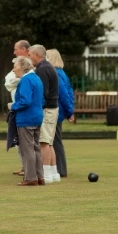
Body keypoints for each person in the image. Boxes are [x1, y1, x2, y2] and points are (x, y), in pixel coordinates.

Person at [9, 57, 45, 186]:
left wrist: (13, 106)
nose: (13, 70)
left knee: (27, 148)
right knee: (36, 147)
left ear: (23, 67)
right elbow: (41, 100)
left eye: (15, 66)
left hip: (26, 118)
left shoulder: (25, 80)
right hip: (37, 117)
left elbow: (25, 101)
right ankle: (40, 176)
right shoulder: (37, 78)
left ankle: (30, 178)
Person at [28, 45, 61, 182]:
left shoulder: (42, 69)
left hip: (47, 109)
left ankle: (46, 174)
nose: (29, 58)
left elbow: (43, 92)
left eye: (30, 55)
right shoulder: (49, 67)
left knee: (43, 142)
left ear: (36, 55)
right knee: (49, 142)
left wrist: (36, 107)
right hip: (52, 108)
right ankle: (54, 173)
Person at [47, 49, 75, 178]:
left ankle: (60, 169)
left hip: (56, 111)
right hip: (62, 110)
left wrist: (70, 112)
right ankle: (57, 168)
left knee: (55, 141)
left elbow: (63, 94)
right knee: (55, 140)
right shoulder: (62, 73)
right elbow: (69, 92)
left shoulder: (56, 74)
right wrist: (70, 110)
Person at [5, 40, 31, 176]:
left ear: (23, 49)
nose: (14, 52)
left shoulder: (30, 67)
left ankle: (30, 170)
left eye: (16, 49)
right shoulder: (17, 65)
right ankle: (24, 166)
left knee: (28, 143)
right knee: (19, 142)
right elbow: (8, 81)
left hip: (24, 109)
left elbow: (20, 81)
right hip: (17, 109)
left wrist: (16, 80)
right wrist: (15, 79)